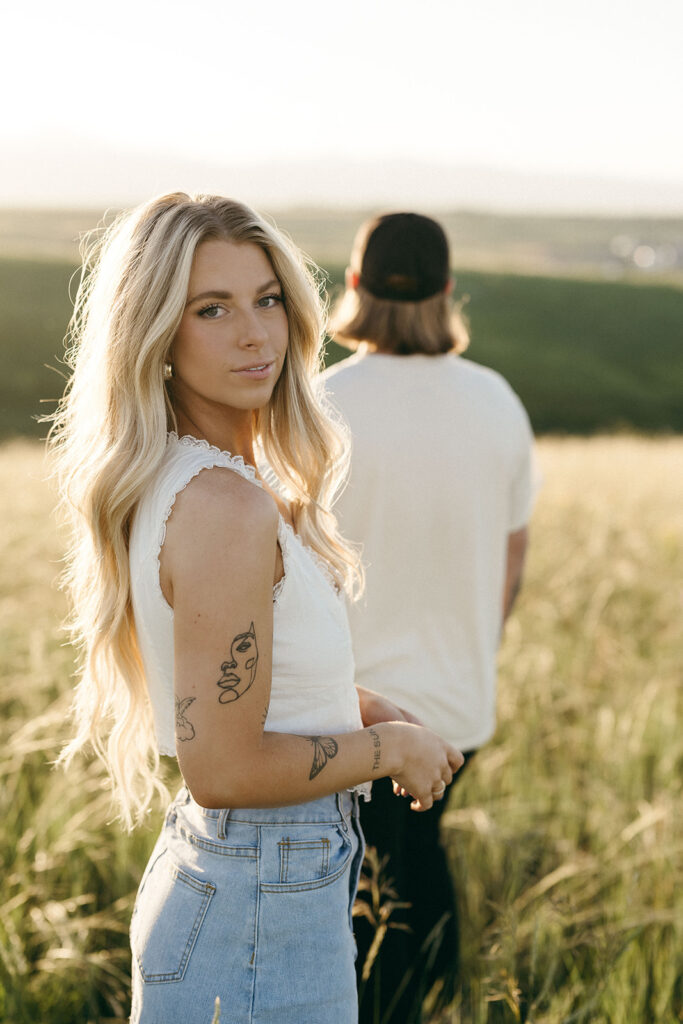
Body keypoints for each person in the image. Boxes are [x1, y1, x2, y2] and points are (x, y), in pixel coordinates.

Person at [50, 193, 463, 1024]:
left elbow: (238, 695)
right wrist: (389, 747)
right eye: (213, 309)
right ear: (157, 332)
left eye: (267, 299)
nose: (256, 333)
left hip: (250, 883)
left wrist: (353, 704)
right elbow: (227, 769)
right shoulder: (221, 506)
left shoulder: (199, 480)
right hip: (259, 897)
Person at [323, 212, 536, 1022]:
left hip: (345, 712)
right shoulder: (496, 400)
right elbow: (509, 561)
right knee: (416, 859)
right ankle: (428, 1001)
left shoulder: (318, 402)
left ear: (352, 287)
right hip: (458, 701)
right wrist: (475, 651)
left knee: (367, 885)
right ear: (449, 293)